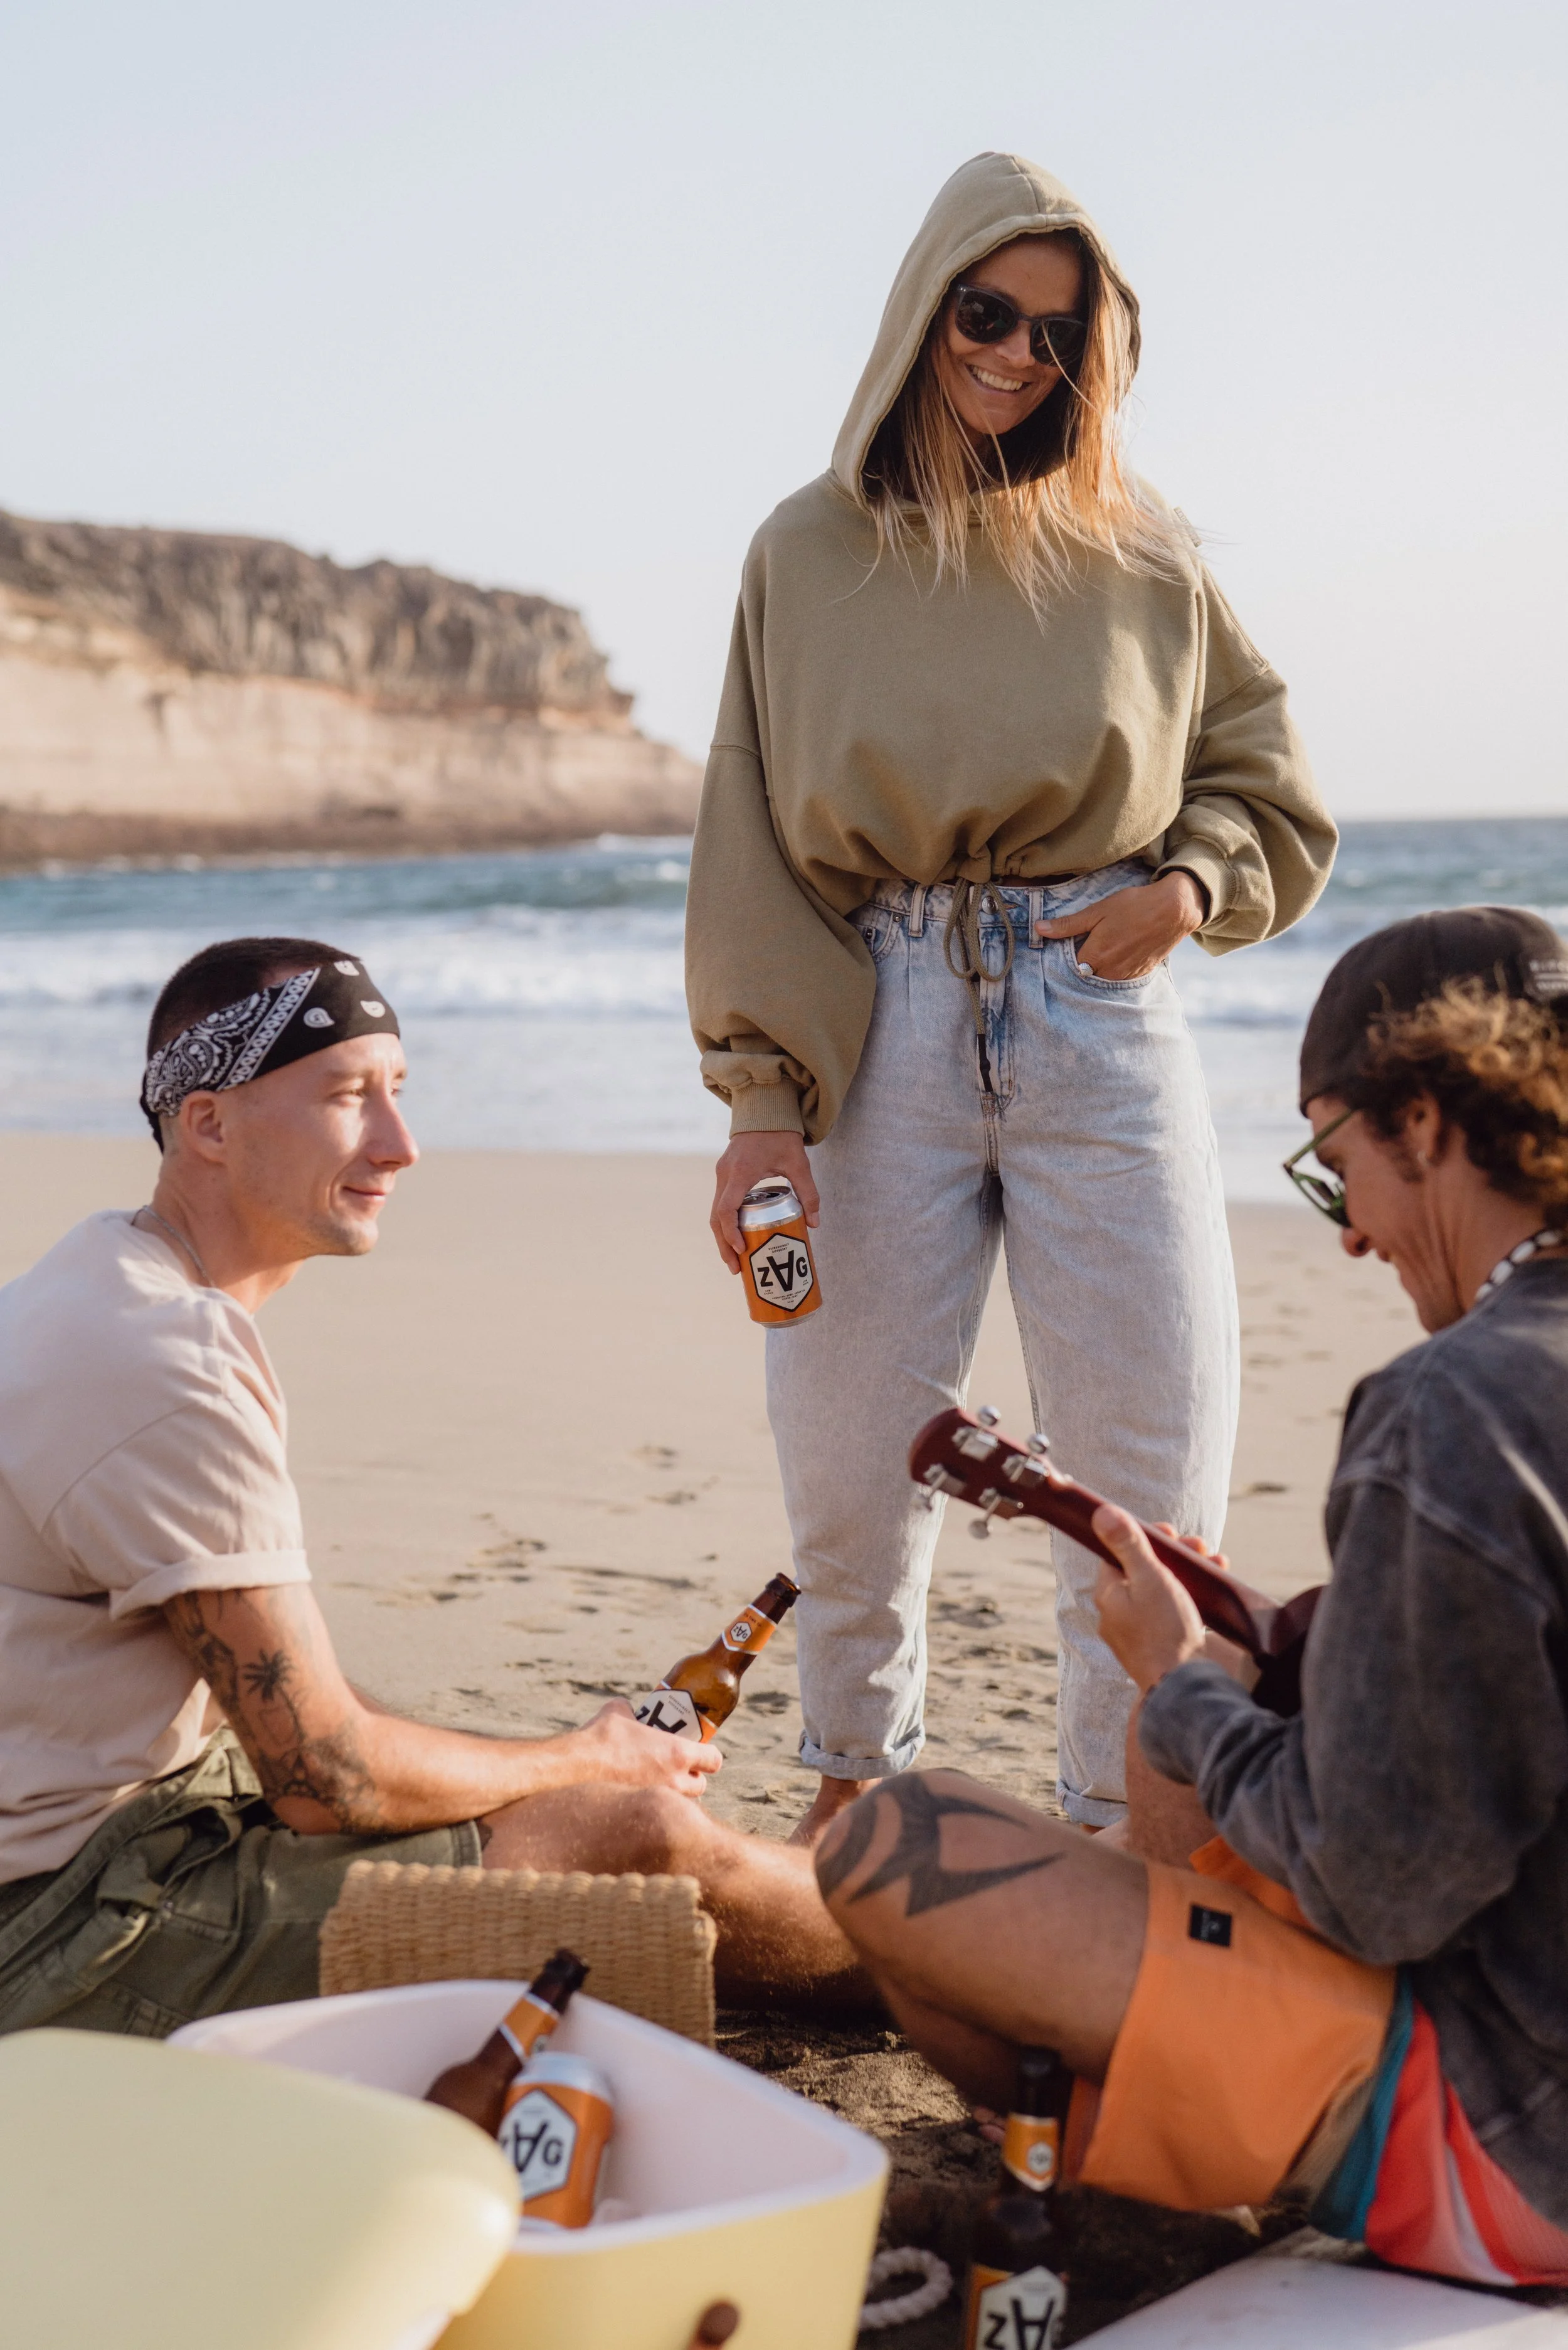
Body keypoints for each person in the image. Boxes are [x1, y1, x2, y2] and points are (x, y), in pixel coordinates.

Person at [687, 150, 1335, 1846]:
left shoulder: (1143, 548)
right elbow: (753, 834)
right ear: (924, 307)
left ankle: (1113, 1856)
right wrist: (759, 1102)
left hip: (1098, 1017)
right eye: (988, 313)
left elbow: (1265, 776)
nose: (1014, 356)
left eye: (1057, 335)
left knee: (1144, 1486)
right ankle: (853, 1820)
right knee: (847, 1469)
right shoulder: (804, 552)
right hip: (873, 1014)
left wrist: (1184, 890)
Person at [812, 907, 1568, 2285]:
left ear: (1422, 1118)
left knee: (890, 1838)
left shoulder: (1458, 1407)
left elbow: (1379, 1889)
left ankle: (1151, 2209)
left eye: (1338, 1171)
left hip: (1518, 2152)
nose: (1351, 1240)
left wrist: (1186, 1686)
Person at [0, 936, 860, 2038]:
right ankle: (965, 1964)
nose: (401, 1145)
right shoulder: (167, 1363)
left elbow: (294, 1716)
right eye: (350, 1097)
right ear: (210, 1123)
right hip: (64, 1932)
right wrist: (591, 1757)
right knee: (636, 1837)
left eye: (399, 1093)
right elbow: (322, 1775)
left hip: (119, 1828)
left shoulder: (96, 1280)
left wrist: (547, 1771)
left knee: (537, 1788)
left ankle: (866, 1909)